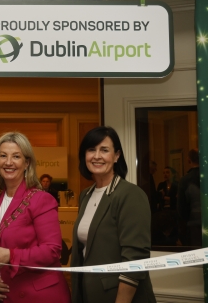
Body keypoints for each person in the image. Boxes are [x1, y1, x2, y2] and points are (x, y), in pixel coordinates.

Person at [0, 132, 70, 303]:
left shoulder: (40, 199)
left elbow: (52, 251)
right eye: (3, 156)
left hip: (40, 296)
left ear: (27, 163)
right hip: (8, 295)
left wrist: (11, 256)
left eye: (16, 156)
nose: (8, 162)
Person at [71, 126, 155, 303]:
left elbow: (135, 259)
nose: (97, 156)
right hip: (88, 294)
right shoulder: (85, 195)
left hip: (120, 297)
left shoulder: (130, 194)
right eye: (91, 149)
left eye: (104, 150)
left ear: (116, 156)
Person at [177, 148, 201, 246]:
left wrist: (181, 229)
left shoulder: (185, 180)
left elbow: (181, 208)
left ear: (188, 160)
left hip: (193, 225)